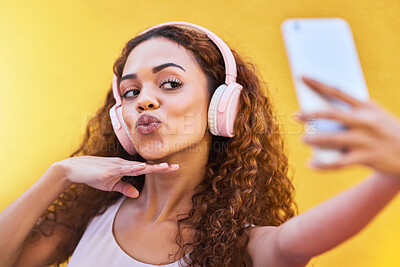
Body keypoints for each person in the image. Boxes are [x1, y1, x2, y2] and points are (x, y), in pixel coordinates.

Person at [1, 21, 400, 267]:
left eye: (170, 83)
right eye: (130, 90)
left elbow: (292, 246)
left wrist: (392, 173)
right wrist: (58, 175)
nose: (144, 99)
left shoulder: (239, 243)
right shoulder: (90, 216)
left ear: (222, 107)